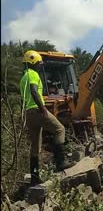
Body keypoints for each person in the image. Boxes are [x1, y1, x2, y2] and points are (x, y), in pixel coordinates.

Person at [19, 50, 75, 186]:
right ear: (33, 63)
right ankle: (61, 162)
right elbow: (33, 91)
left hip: (28, 113)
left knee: (35, 147)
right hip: (37, 110)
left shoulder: (23, 78)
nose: (39, 65)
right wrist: (43, 108)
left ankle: (34, 177)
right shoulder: (33, 74)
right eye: (38, 63)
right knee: (59, 129)